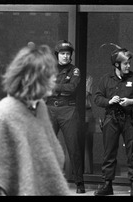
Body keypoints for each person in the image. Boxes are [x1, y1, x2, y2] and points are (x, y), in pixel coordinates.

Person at [0, 45, 70, 196]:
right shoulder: (4, 112)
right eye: (48, 77)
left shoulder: (40, 107)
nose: (53, 81)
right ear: (31, 79)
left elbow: (53, 154)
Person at [93, 48, 133, 196]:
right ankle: (107, 184)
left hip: (129, 117)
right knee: (109, 152)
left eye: (129, 63)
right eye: (125, 64)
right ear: (117, 65)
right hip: (111, 117)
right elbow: (97, 98)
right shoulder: (106, 79)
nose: (128, 66)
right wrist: (109, 101)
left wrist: (132, 101)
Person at [46, 40, 85, 193]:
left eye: (68, 54)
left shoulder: (75, 70)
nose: (65, 56)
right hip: (50, 108)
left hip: (68, 109)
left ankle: (79, 183)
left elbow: (72, 88)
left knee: (73, 146)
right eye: (62, 53)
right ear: (57, 55)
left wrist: (54, 86)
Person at [84, 74, 95, 174]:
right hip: (73, 110)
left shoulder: (88, 78)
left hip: (86, 111)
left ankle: (88, 171)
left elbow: (86, 93)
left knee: (87, 142)